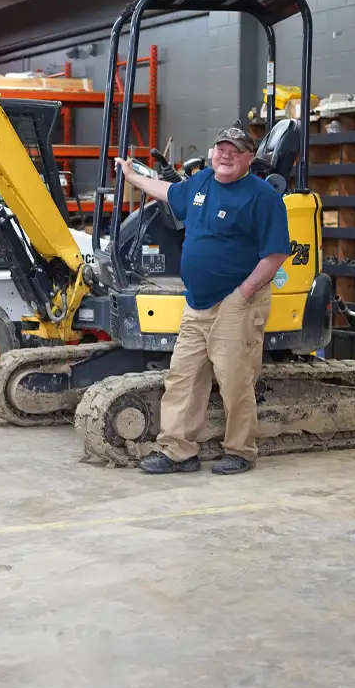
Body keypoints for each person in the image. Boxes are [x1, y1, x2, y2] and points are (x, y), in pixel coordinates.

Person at [113, 126, 291, 475]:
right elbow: (167, 191)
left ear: (248, 159)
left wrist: (243, 294)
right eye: (221, 148)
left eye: (235, 150)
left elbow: (275, 254)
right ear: (212, 153)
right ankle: (178, 451)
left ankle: (241, 450)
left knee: (235, 379)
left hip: (237, 300)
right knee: (183, 376)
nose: (225, 155)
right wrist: (134, 177)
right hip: (197, 301)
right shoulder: (203, 182)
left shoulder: (262, 196)